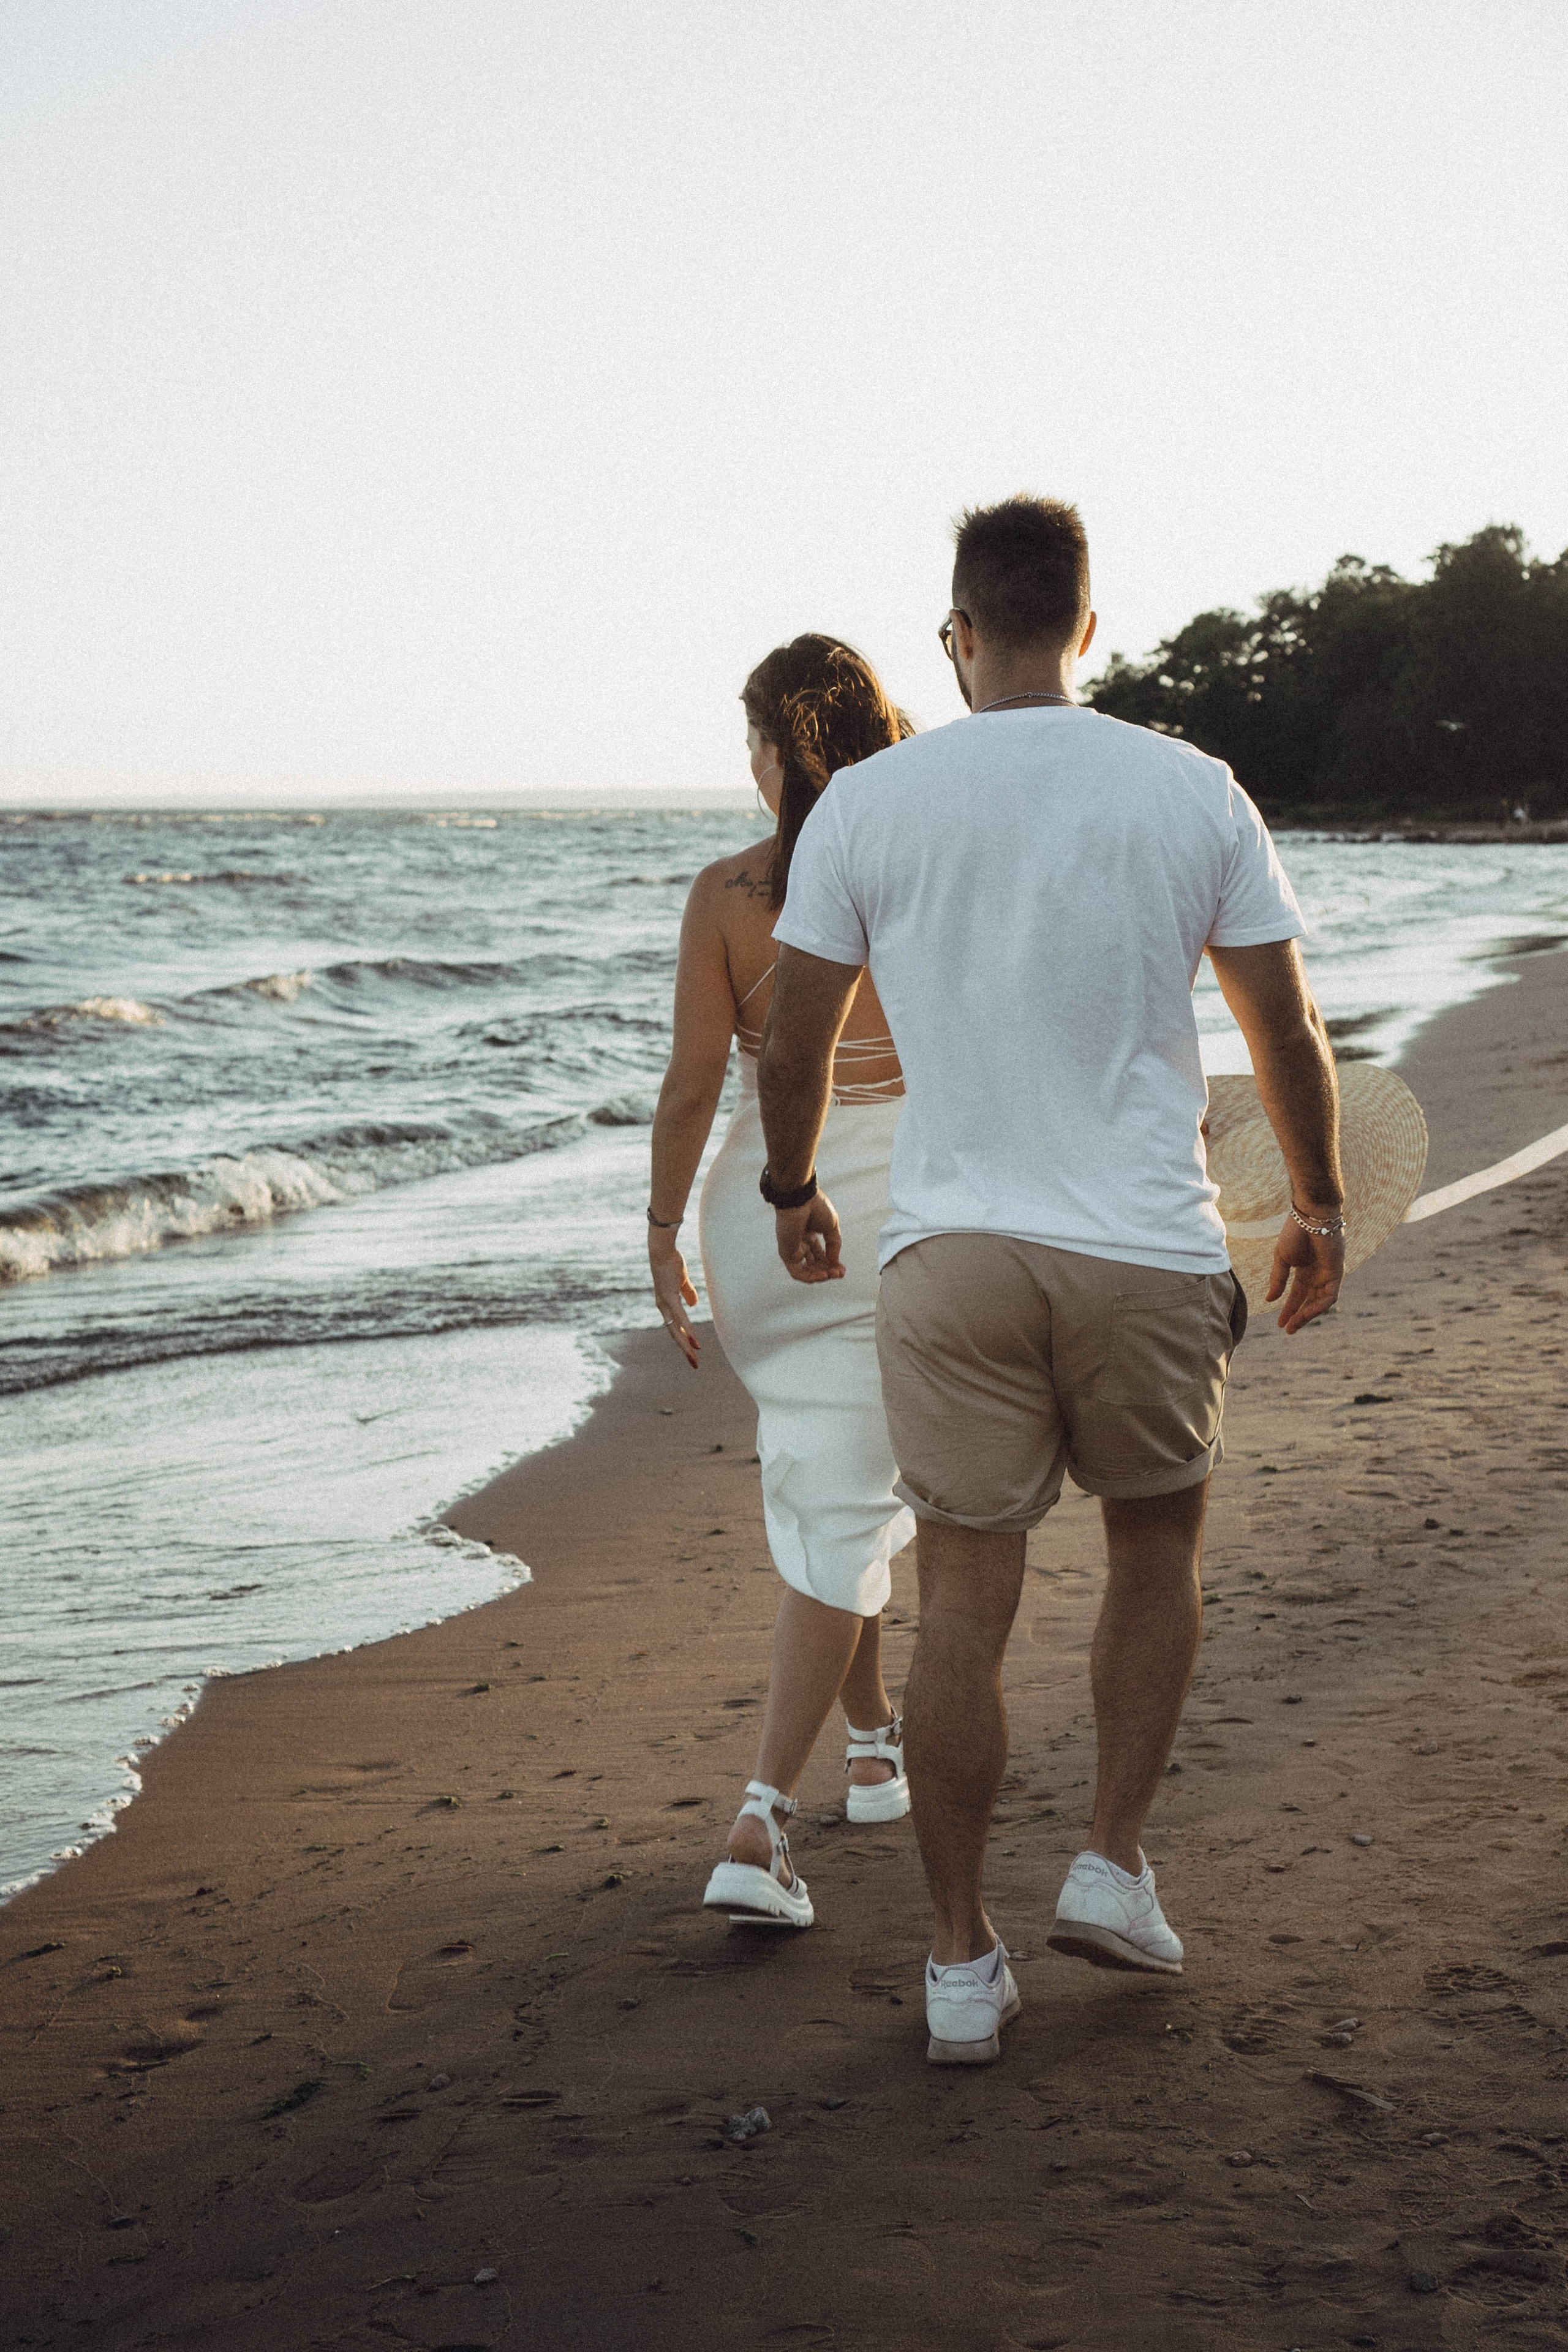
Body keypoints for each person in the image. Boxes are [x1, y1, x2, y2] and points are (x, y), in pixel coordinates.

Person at [757, 496, 1345, 2064]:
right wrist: (1320, 1204)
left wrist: (791, 1189)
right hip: (1145, 1248)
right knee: (1154, 1554)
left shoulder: (868, 806)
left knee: (961, 1587)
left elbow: (795, 1033)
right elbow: (1281, 1033)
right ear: (1086, 625)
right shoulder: (1188, 788)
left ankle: (957, 1963)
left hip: (948, 1256)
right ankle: (1109, 1863)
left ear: (958, 633)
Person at [647, 635, 919, 1930]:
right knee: (846, 1490)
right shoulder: (925, 866)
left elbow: (698, 1085)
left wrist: (661, 1226)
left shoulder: (725, 893)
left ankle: (873, 1748)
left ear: (772, 748)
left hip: (766, 1216)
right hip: (893, 1213)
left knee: (831, 1484)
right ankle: (759, 1820)